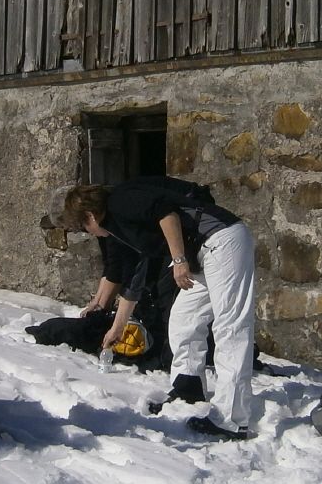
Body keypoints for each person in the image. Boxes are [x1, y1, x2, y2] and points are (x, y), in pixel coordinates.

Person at [63, 177, 258, 440]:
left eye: (84, 227)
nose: (88, 233)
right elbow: (137, 275)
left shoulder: (121, 199)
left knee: (230, 326)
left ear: (90, 215)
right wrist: (117, 327)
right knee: (183, 318)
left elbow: (165, 211)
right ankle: (187, 386)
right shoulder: (120, 228)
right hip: (203, 251)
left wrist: (178, 259)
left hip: (222, 240)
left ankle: (232, 421)